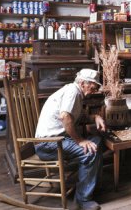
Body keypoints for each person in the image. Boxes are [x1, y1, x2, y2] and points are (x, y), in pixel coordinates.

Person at [35, 69, 106, 210]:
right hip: (48, 144)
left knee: (96, 142)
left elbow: (80, 117)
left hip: (59, 141)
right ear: (82, 83)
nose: (95, 89)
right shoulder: (72, 92)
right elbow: (65, 117)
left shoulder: (76, 93)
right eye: (93, 86)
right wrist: (80, 140)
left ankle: (90, 187)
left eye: (96, 87)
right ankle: (83, 199)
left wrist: (96, 117)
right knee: (89, 151)